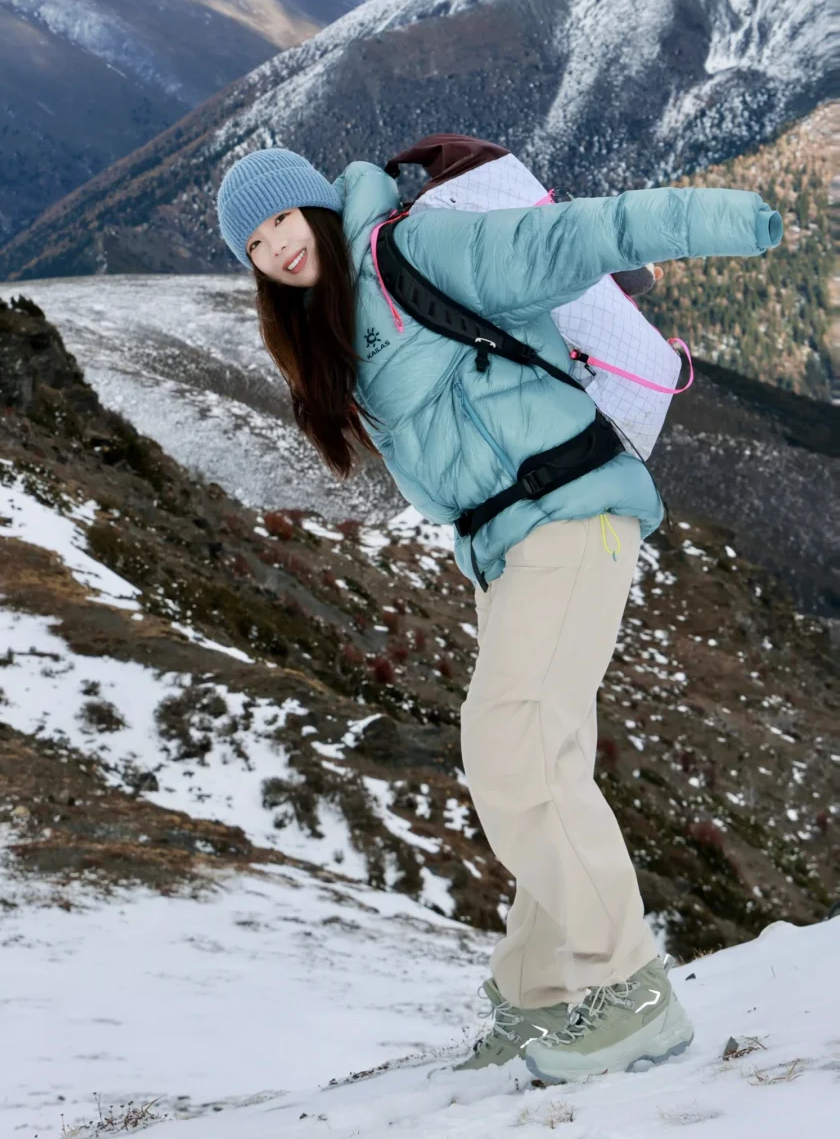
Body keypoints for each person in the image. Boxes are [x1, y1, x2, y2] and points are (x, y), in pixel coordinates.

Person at [216, 145, 783, 1083]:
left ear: (315, 209)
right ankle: (538, 995)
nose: (273, 247)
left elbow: (572, 237)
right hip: (510, 551)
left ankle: (632, 994)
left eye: (280, 220)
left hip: (573, 513)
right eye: (253, 241)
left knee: (512, 740)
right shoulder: (337, 326)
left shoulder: (414, 252)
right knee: (537, 756)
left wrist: (726, 218)